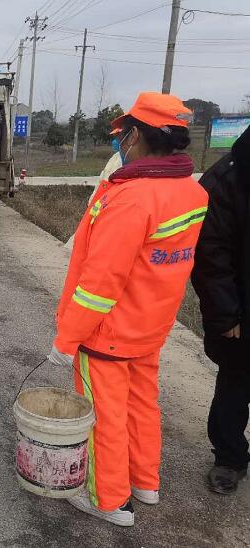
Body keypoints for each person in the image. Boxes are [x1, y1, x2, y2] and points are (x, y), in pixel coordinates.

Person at [48, 92, 208, 526]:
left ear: (136, 135)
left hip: (107, 331)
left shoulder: (132, 198)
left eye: (123, 134)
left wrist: (67, 338)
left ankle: (108, 499)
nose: (121, 142)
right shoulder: (190, 191)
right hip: (151, 323)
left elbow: (100, 286)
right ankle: (144, 482)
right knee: (141, 405)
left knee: (103, 417)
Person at [191, 125, 250, 495]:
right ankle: (229, 458)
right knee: (236, 384)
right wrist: (226, 315)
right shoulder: (228, 179)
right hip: (241, 311)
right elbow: (210, 254)